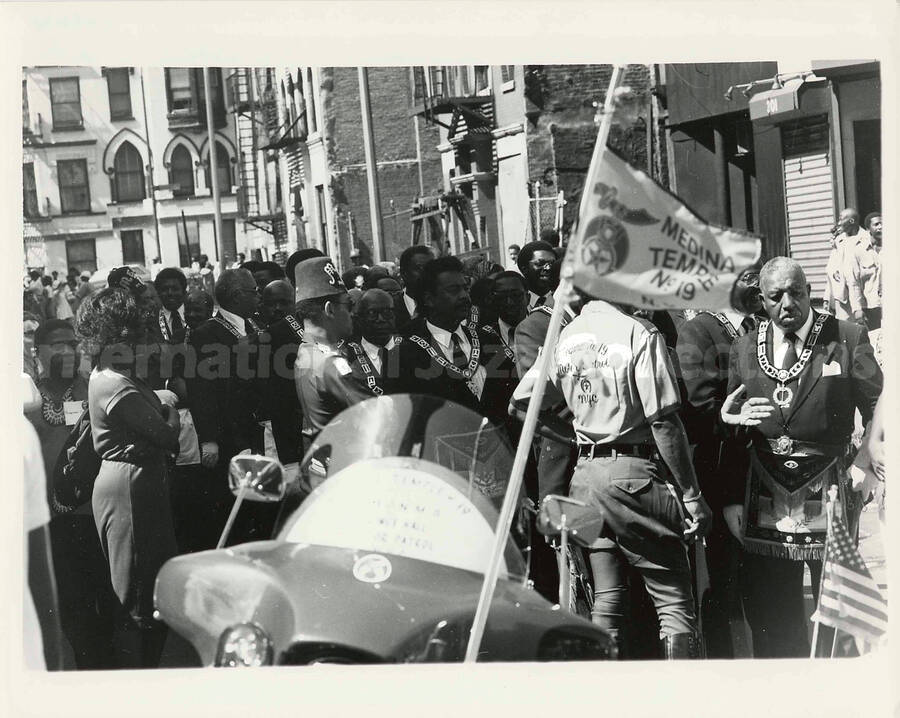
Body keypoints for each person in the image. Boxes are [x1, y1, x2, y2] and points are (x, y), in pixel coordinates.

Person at [518, 292, 712, 659]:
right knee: (672, 600)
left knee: (607, 599)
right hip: (633, 473)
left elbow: (520, 403)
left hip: (585, 478)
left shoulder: (565, 337)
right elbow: (664, 422)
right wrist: (691, 494)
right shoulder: (639, 333)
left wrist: (576, 436)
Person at [719, 257, 882, 658]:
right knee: (774, 610)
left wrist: (867, 462)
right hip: (764, 490)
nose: (787, 303)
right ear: (762, 299)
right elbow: (732, 423)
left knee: (837, 605)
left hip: (830, 485)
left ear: (810, 291)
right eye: (776, 296)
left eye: (796, 292)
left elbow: (882, 405)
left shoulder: (846, 335)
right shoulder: (742, 346)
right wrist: (729, 497)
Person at [76, 287, 181, 668]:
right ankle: (139, 678)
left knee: (143, 580)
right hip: (129, 489)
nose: (139, 344)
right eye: (132, 337)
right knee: (138, 590)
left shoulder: (111, 375)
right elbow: (167, 437)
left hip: (136, 481)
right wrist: (171, 408)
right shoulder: (115, 382)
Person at [674, 269, 761, 659]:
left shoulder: (761, 326)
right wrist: (726, 493)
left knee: (759, 587)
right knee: (724, 585)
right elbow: (703, 415)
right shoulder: (700, 332)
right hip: (724, 473)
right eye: (748, 276)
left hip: (762, 474)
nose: (758, 284)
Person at [25, 320, 117, 669]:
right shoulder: (26, 396)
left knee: (105, 599)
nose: (67, 351)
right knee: (70, 603)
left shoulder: (93, 388)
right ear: (38, 352)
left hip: (94, 513)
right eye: (57, 345)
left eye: (71, 344)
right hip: (51, 520)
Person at [186, 268, 268, 546]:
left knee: (259, 505)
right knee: (233, 512)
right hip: (227, 435)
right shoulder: (206, 334)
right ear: (236, 296)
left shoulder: (254, 325)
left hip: (256, 431)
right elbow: (201, 390)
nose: (259, 297)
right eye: (253, 291)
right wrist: (208, 438)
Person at [393, 256, 517, 430]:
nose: (464, 296)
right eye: (453, 290)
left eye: (465, 288)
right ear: (429, 299)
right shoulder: (406, 355)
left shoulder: (488, 339)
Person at [294, 257, 366, 436]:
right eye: (348, 304)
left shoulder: (307, 350)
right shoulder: (330, 363)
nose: (352, 313)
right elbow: (373, 412)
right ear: (330, 310)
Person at [345, 288, 399, 397]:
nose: (380, 319)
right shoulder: (347, 356)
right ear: (359, 318)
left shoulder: (414, 350)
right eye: (372, 313)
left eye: (387, 312)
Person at [845, 211, 882, 363]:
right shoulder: (858, 251)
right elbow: (853, 282)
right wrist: (857, 309)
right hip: (871, 307)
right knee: (875, 343)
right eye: (877, 224)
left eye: (883, 223)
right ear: (868, 229)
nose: (881, 227)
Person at [394, 245, 435, 330]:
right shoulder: (391, 308)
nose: (427, 274)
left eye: (431, 269)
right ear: (404, 273)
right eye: (420, 268)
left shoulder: (444, 306)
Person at [484, 271, 529, 348]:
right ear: (494, 300)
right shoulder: (483, 337)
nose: (509, 302)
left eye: (515, 295)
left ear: (528, 298)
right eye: (502, 296)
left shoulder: (545, 330)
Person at [516, 240, 557, 308]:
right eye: (540, 263)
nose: (548, 268)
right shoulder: (516, 305)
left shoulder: (562, 302)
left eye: (552, 263)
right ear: (524, 269)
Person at [153, 267, 188, 344]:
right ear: (158, 293)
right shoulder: (152, 320)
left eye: (175, 289)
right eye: (164, 289)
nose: (170, 293)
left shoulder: (196, 315)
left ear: (184, 292)